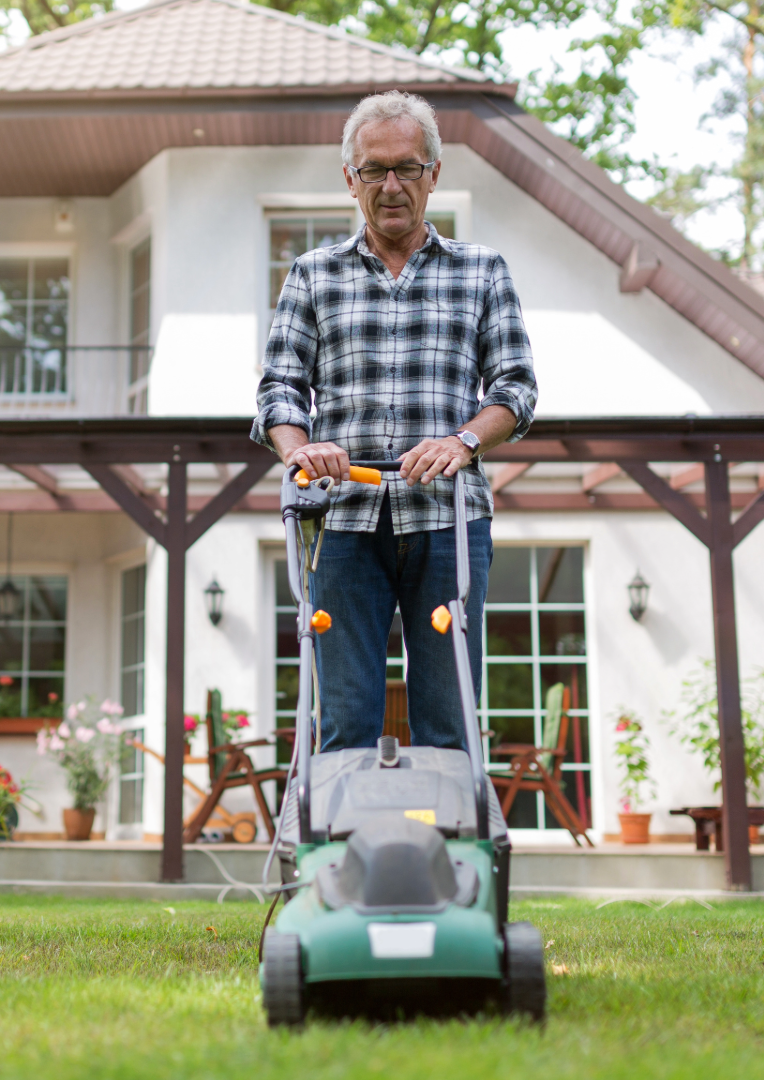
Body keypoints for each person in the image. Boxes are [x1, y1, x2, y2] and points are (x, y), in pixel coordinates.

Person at [254, 90, 538, 752]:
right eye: (373, 170)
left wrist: (463, 441)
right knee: (346, 719)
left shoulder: (482, 271)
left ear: (433, 174)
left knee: (449, 715)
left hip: (449, 522)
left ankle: (449, 853)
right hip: (341, 522)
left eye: (406, 168)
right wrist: (302, 452)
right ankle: (341, 853)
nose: (390, 186)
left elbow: (515, 389)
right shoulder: (312, 276)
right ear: (349, 179)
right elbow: (279, 391)